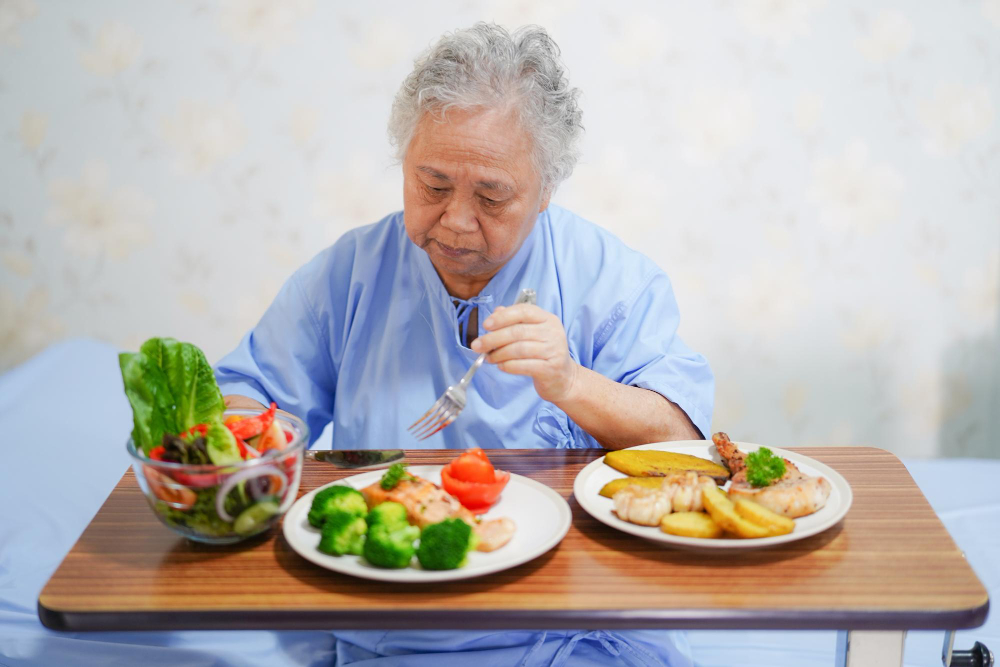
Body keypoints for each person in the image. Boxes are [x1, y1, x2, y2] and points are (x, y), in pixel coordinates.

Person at [216, 22, 712, 667]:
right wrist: (236, 436)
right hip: (387, 616)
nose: (454, 220)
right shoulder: (351, 272)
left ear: (545, 192)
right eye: (433, 184)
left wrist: (570, 383)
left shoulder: (611, 278)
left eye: (492, 196)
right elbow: (254, 396)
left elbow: (682, 443)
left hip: (572, 621)